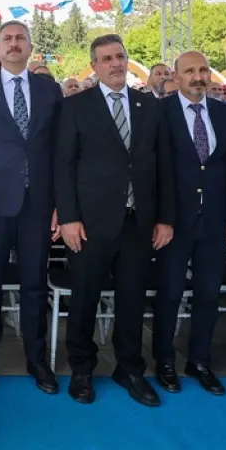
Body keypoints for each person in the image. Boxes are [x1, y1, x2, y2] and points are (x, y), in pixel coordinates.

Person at [56, 34, 173, 407]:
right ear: (94, 66)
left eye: (120, 56)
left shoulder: (148, 106)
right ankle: (82, 369)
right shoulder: (76, 106)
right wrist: (70, 218)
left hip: (138, 222)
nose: (115, 63)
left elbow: (163, 166)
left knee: (132, 299)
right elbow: (64, 167)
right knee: (85, 297)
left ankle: (130, 369)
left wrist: (165, 218)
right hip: (90, 224)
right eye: (106, 58)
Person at [0, 20, 62, 396]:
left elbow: (60, 153)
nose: (14, 44)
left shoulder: (51, 92)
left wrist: (60, 207)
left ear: (31, 47)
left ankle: (38, 361)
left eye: (21, 38)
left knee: (35, 286)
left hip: (38, 205)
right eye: (7, 39)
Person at [153, 51, 226, 397]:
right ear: (175, 76)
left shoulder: (224, 113)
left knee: (208, 294)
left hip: (217, 220)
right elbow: (154, 171)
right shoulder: (160, 113)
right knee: (170, 292)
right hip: (174, 222)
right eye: (189, 70)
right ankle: (163, 360)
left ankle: (200, 361)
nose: (198, 76)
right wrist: (162, 218)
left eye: (203, 69)